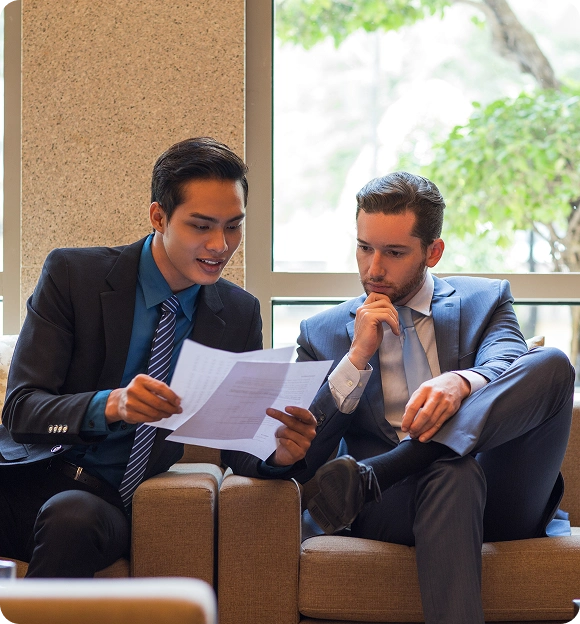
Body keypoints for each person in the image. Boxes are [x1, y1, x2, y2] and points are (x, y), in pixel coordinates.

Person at [225, 171, 575, 624]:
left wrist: (462, 382)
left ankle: (388, 465)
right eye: (364, 248)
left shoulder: (485, 300)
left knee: (553, 364)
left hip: (503, 493)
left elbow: (508, 357)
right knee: (455, 473)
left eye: (393, 253)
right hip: (394, 505)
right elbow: (306, 455)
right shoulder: (324, 333)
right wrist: (356, 358)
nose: (373, 268)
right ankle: (396, 470)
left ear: (433, 251)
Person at [0, 136, 316, 578]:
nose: (221, 245)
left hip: (102, 502)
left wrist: (278, 454)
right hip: (20, 476)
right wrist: (111, 404)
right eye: (201, 226)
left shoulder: (238, 314)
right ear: (158, 217)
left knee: (71, 517)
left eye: (233, 226)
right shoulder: (74, 276)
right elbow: (22, 409)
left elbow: (241, 445)